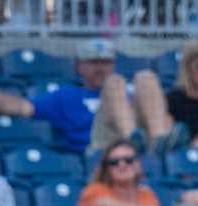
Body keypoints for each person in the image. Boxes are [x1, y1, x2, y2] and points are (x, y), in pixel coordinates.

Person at [22, 38, 172, 156]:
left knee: (146, 77)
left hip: (144, 144)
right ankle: (131, 143)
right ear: (79, 65)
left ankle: (160, 143)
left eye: (106, 62)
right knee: (113, 83)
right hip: (102, 149)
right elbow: (24, 107)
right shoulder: (65, 96)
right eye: (94, 62)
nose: (100, 68)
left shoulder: (130, 90)